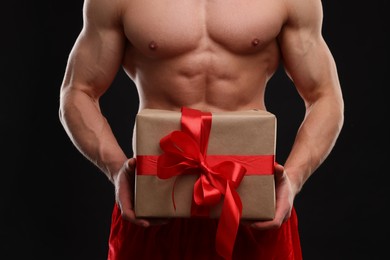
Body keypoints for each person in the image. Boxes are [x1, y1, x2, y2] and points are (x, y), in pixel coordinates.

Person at [59, 0, 344, 259]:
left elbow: (325, 95)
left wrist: (293, 179)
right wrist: (116, 169)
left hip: (251, 206)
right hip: (155, 204)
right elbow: (78, 91)